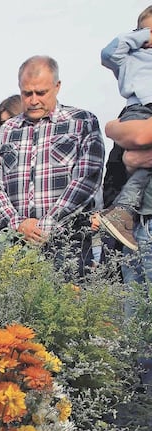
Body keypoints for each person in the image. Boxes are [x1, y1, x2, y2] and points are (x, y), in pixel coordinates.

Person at [0, 55, 104, 261]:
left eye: (41, 92)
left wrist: (46, 225)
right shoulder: (7, 130)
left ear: (57, 87)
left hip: (68, 242)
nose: (33, 100)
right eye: (26, 93)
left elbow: (86, 179)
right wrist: (17, 223)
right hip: (16, 244)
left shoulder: (81, 122)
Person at [90, 6, 152, 252]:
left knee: (142, 162)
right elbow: (108, 53)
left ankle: (123, 210)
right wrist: (143, 37)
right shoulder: (132, 57)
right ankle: (123, 211)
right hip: (140, 109)